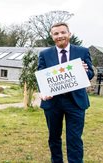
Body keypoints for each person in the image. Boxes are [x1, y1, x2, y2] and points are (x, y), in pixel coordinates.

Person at [38, 22, 94, 163]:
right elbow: (41, 76)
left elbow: (91, 73)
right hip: (53, 102)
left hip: (76, 102)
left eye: (63, 32)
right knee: (54, 138)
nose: (60, 36)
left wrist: (85, 71)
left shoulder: (82, 51)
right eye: (56, 33)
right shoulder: (44, 54)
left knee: (74, 138)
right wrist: (44, 91)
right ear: (52, 36)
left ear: (69, 34)